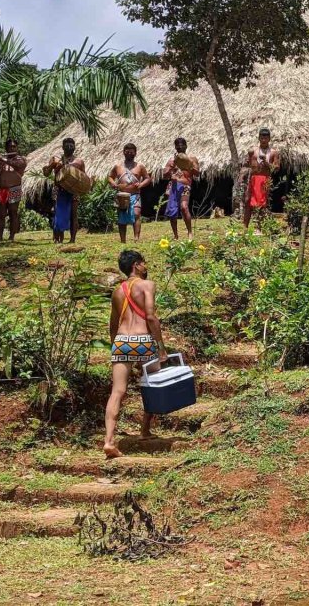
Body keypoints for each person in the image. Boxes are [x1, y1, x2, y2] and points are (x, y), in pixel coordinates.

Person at [105, 250, 167, 459]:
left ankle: (109, 441)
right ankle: (145, 431)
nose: (146, 266)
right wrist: (161, 347)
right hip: (143, 341)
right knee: (151, 384)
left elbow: (113, 325)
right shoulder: (147, 285)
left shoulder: (117, 291)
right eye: (143, 263)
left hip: (122, 342)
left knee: (117, 391)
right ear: (136, 266)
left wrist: (116, 346)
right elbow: (150, 317)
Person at [43, 138, 86, 243]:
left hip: (73, 191)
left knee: (73, 215)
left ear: (75, 147)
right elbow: (46, 173)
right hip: (59, 189)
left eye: (71, 144)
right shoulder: (55, 159)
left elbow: (83, 177)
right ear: (62, 147)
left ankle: (72, 239)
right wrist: (52, 166)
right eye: (67, 145)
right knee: (58, 213)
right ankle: (58, 239)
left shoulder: (79, 162)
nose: (69, 146)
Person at [108, 143, 151, 244]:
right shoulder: (118, 166)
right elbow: (110, 177)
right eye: (127, 152)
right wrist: (114, 184)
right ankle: (123, 240)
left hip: (135, 195)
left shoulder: (140, 166)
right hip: (122, 196)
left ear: (135, 153)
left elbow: (147, 178)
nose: (129, 154)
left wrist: (140, 185)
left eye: (132, 152)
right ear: (124, 152)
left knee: (136, 214)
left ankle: (136, 238)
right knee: (122, 217)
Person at [0, 138, 27, 241]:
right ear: (6, 148)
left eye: (14, 146)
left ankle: (11, 236)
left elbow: (18, 165)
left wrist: (3, 159)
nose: (12, 148)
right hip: (2, 190)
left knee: (13, 212)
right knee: (1, 214)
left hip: (14, 189)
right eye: (10, 146)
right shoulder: (2, 162)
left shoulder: (20, 159)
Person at [163, 137, 199, 240]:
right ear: (175, 147)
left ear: (186, 146)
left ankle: (190, 232)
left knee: (184, 207)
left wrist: (190, 166)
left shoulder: (192, 159)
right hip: (174, 186)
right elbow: (164, 175)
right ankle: (175, 235)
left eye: (182, 145)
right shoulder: (171, 160)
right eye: (178, 146)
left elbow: (197, 174)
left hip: (185, 186)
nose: (180, 147)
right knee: (172, 211)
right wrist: (172, 167)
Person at [244, 128, 279, 230]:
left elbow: (276, 168)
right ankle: (245, 227)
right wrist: (247, 163)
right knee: (248, 201)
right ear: (259, 138)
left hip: (265, 179)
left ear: (269, 139)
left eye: (266, 137)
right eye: (262, 137)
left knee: (262, 203)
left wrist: (266, 162)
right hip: (253, 178)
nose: (264, 139)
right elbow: (248, 164)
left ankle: (258, 227)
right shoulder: (253, 151)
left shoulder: (273, 153)